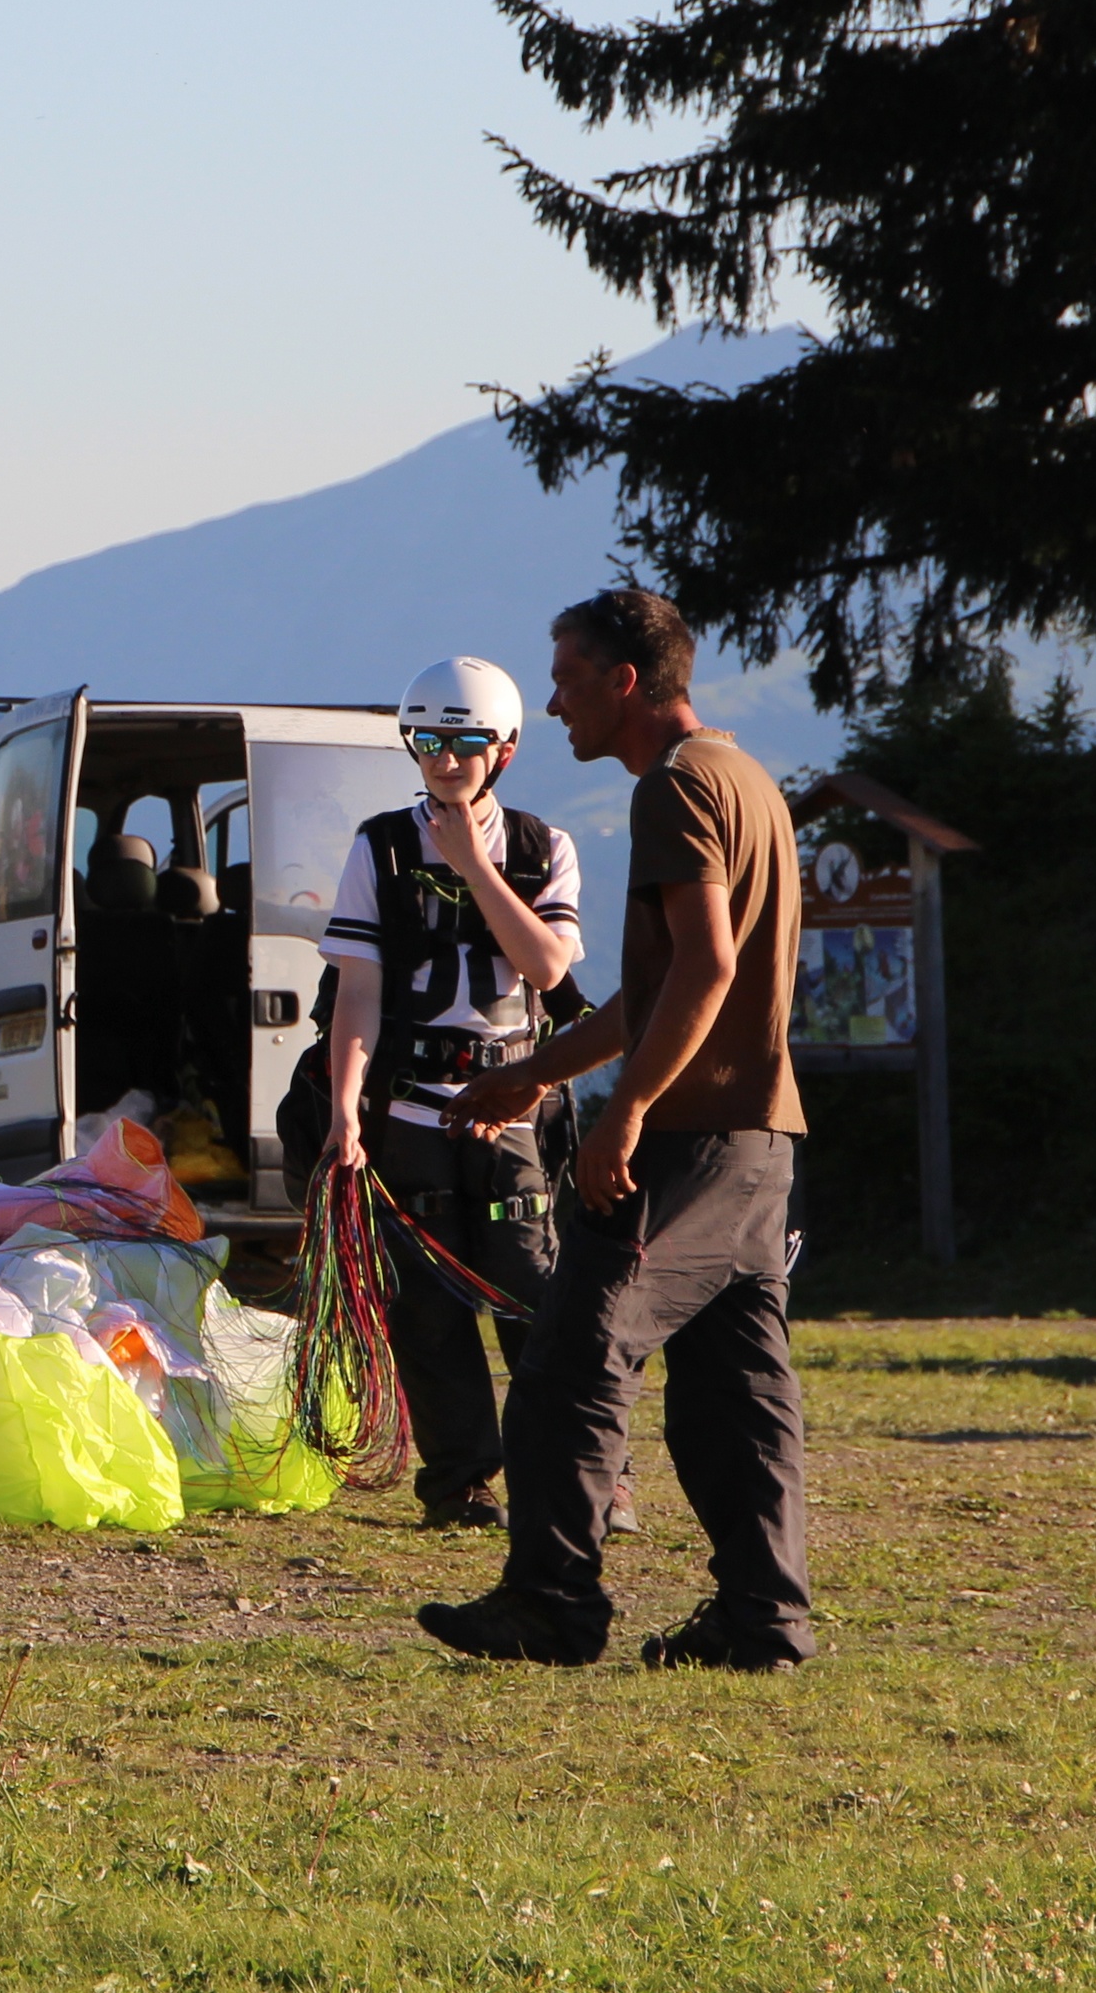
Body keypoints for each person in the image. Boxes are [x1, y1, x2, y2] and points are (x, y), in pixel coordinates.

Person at [422, 585, 814, 1673]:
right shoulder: (743, 779)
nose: (551, 704)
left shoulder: (673, 790)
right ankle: (761, 1620)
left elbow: (706, 965)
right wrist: (534, 1074)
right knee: (734, 1394)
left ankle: (549, 1600)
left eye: (564, 677)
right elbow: (651, 993)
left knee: (565, 1357)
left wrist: (627, 1109)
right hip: (760, 1140)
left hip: (685, 1138)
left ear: (624, 680)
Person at [321, 655, 585, 1532]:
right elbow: (355, 991)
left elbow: (547, 965)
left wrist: (474, 864)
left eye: (464, 743)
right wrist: (343, 1113)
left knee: (528, 1290)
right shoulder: (379, 845)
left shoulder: (542, 846)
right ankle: (459, 1483)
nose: (445, 761)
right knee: (425, 1307)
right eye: (428, 742)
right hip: (407, 1109)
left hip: (508, 1103)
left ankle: (573, 1473)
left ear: (502, 749)